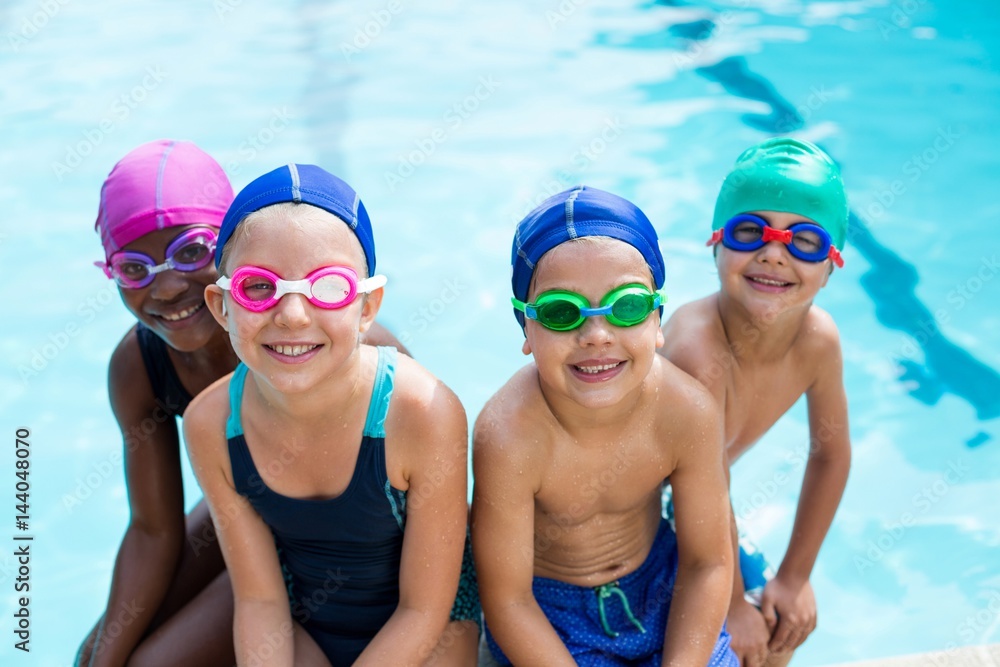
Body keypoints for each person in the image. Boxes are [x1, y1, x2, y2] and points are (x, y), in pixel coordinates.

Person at [77, 140, 409, 667]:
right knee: (95, 652)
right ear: (111, 272)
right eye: (134, 268)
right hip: (242, 513)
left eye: (190, 251)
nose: (166, 287)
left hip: (333, 547)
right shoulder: (140, 367)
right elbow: (152, 528)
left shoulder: (333, 347)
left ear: (231, 251)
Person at [183, 163, 478, 666]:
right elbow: (260, 601)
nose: (293, 315)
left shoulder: (422, 413)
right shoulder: (211, 424)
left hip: (430, 633)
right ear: (221, 306)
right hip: (302, 628)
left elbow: (423, 610)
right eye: (258, 287)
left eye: (327, 287)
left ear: (367, 308)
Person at [473, 185, 738, 666]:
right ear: (525, 328)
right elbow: (509, 600)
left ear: (657, 319)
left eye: (627, 306)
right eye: (560, 312)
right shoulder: (509, 435)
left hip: (661, 590)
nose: (596, 335)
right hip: (550, 614)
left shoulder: (687, 411)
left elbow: (707, 564)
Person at [659, 138, 852, 667]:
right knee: (738, 642)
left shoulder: (819, 341)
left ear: (832, 263)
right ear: (716, 243)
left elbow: (831, 455)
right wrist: (727, 606)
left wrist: (795, 576)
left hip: (697, 507)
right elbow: (698, 483)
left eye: (805, 240)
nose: (774, 253)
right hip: (638, 523)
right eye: (751, 232)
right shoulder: (698, 346)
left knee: (776, 631)